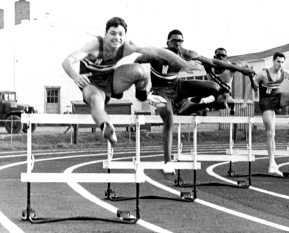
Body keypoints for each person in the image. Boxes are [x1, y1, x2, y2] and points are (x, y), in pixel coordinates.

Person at [62, 17, 203, 147]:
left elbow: (159, 52)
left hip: (111, 80)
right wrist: (75, 76)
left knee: (141, 70)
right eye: (112, 33)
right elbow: (67, 61)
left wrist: (183, 63)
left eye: (120, 34)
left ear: (125, 36)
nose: (116, 38)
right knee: (95, 99)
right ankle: (106, 127)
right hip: (91, 84)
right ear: (106, 34)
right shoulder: (94, 45)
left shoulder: (128, 46)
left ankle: (143, 96)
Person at [131, 30, 256, 173]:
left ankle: (206, 103)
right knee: (169, 120)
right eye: (174, 41)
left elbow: (213, 62)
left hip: (178, 86)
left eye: (180, 41)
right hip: (160, 92)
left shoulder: (186, 53)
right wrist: (139, 85)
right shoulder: (156, 54)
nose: (177, 44)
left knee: (214, 87)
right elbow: (137, 61)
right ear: (168, 42)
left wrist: (241, 70)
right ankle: (167, 162)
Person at [242, 52, 289, 177]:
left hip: (278, 98)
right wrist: (244, 102)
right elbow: (250, 85)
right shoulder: (264, 74)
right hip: (266, 103)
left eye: (282, 62)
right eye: (278, 61)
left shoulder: (284, 72)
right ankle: (272, 163)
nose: (280, 64)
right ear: (273, 61)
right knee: (271, 133)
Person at [178, 47, 254, 116]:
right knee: (184, 111)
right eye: (218, 56)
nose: (221, 57)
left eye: (223, 56)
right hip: (208, 94)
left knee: (223, 98)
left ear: (226, 58)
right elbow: (194, 59)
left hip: (222, 94)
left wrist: (253, 81)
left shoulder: (233, 67)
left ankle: (229, 103)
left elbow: (247, 66)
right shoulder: (209, 66)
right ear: (214, 57)